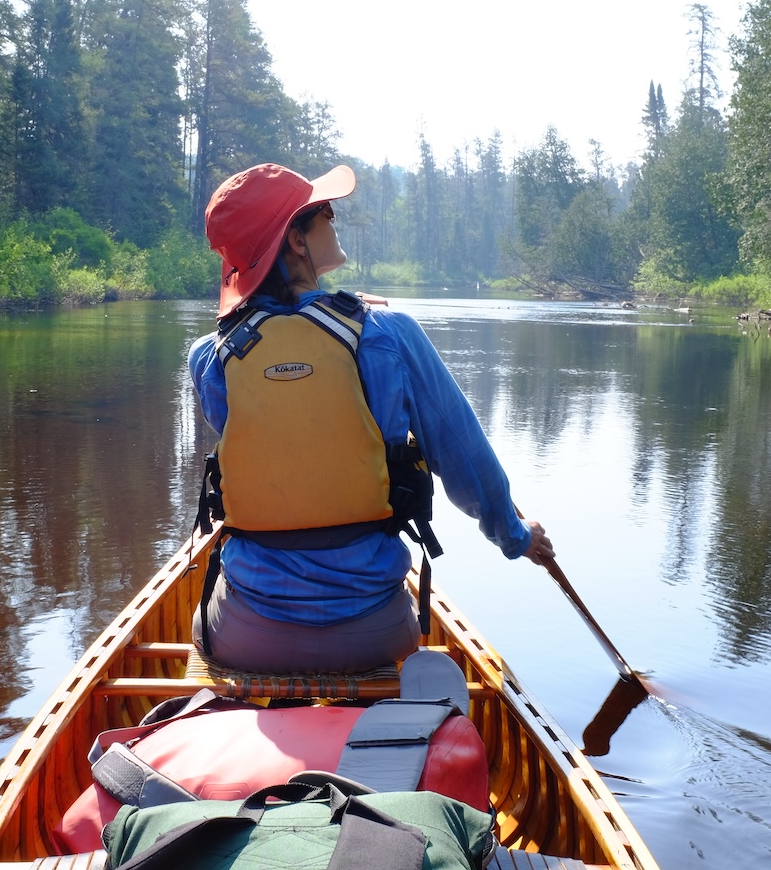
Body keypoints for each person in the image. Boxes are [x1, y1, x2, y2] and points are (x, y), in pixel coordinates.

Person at [189, 162, 554, 674]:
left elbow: (280, 430)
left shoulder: (210, 356)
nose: (334, 220)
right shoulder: (387, 333)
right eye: (326, 215)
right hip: (374, 634)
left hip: (250, 634)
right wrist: (516, 536)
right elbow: (465, 458)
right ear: (297, 241)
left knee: (209, 611)